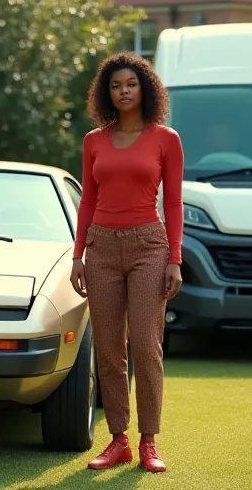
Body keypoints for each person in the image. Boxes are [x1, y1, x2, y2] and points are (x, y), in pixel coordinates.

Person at [69, 52, 184, 472]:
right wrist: (77, 254)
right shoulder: (93, 140)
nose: (123, 91)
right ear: (106, 91)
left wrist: (175, 258)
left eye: (131, 85)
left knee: (147, 346)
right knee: (108, 347)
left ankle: (149, 440)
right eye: (116, 85)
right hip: (100, 248)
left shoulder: (165, 139)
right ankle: (118, 439)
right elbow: (88, 200)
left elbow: (173, 201)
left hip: (148, 247)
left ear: (145, 89)